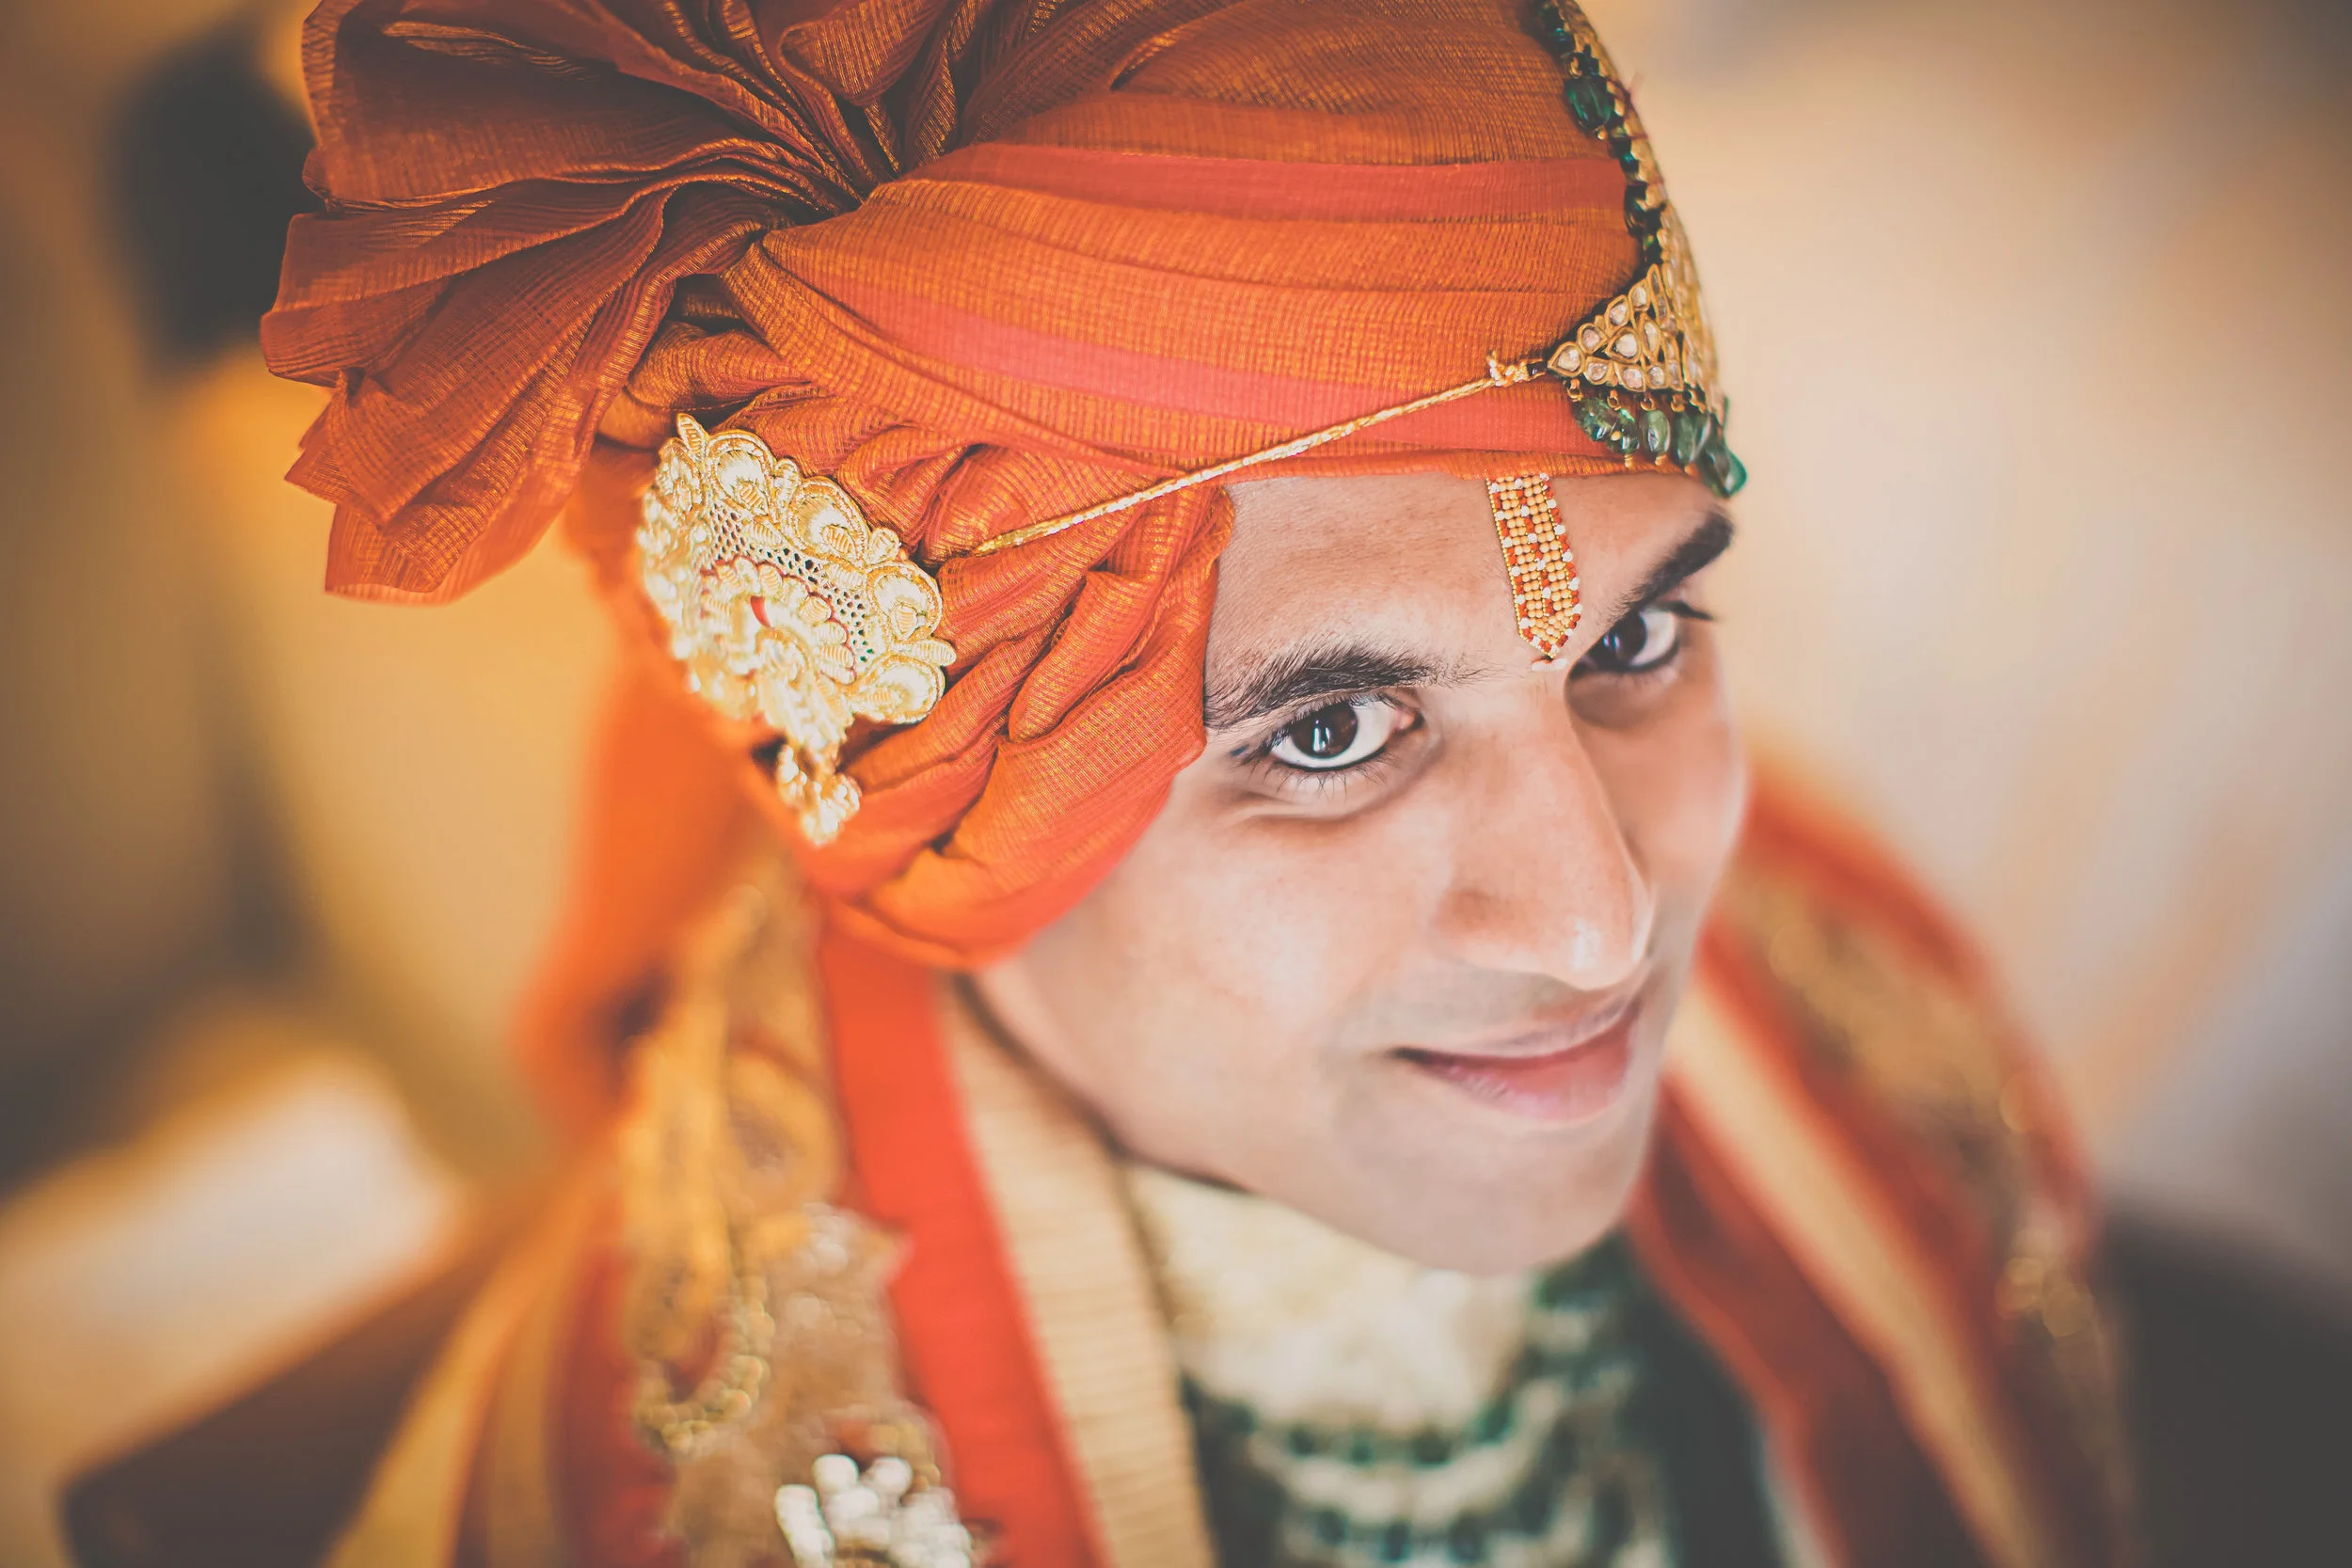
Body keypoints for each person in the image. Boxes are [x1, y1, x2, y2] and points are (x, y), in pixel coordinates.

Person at [95, 1, 2136, 1564]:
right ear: (943, 829)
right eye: (1327, 734)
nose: (1605, 917)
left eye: (1628, 640)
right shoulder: (666, 1481)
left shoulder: (1854, 1020)